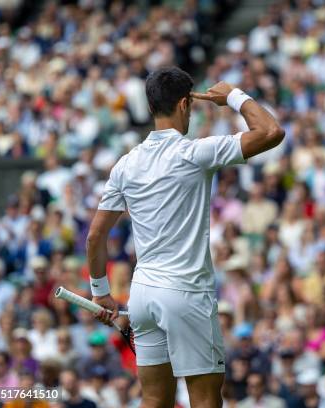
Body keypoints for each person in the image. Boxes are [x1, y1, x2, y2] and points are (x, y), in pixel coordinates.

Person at [87, 67, 284, 408]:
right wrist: (234, 96)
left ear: (150, 108)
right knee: (206, 400)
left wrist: (100, 293)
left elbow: (95, 236)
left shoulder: (125, 164)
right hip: (186, 293)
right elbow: (271, 131)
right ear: (184, 105)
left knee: (153, 400)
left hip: (143, 295)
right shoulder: (195, 153)